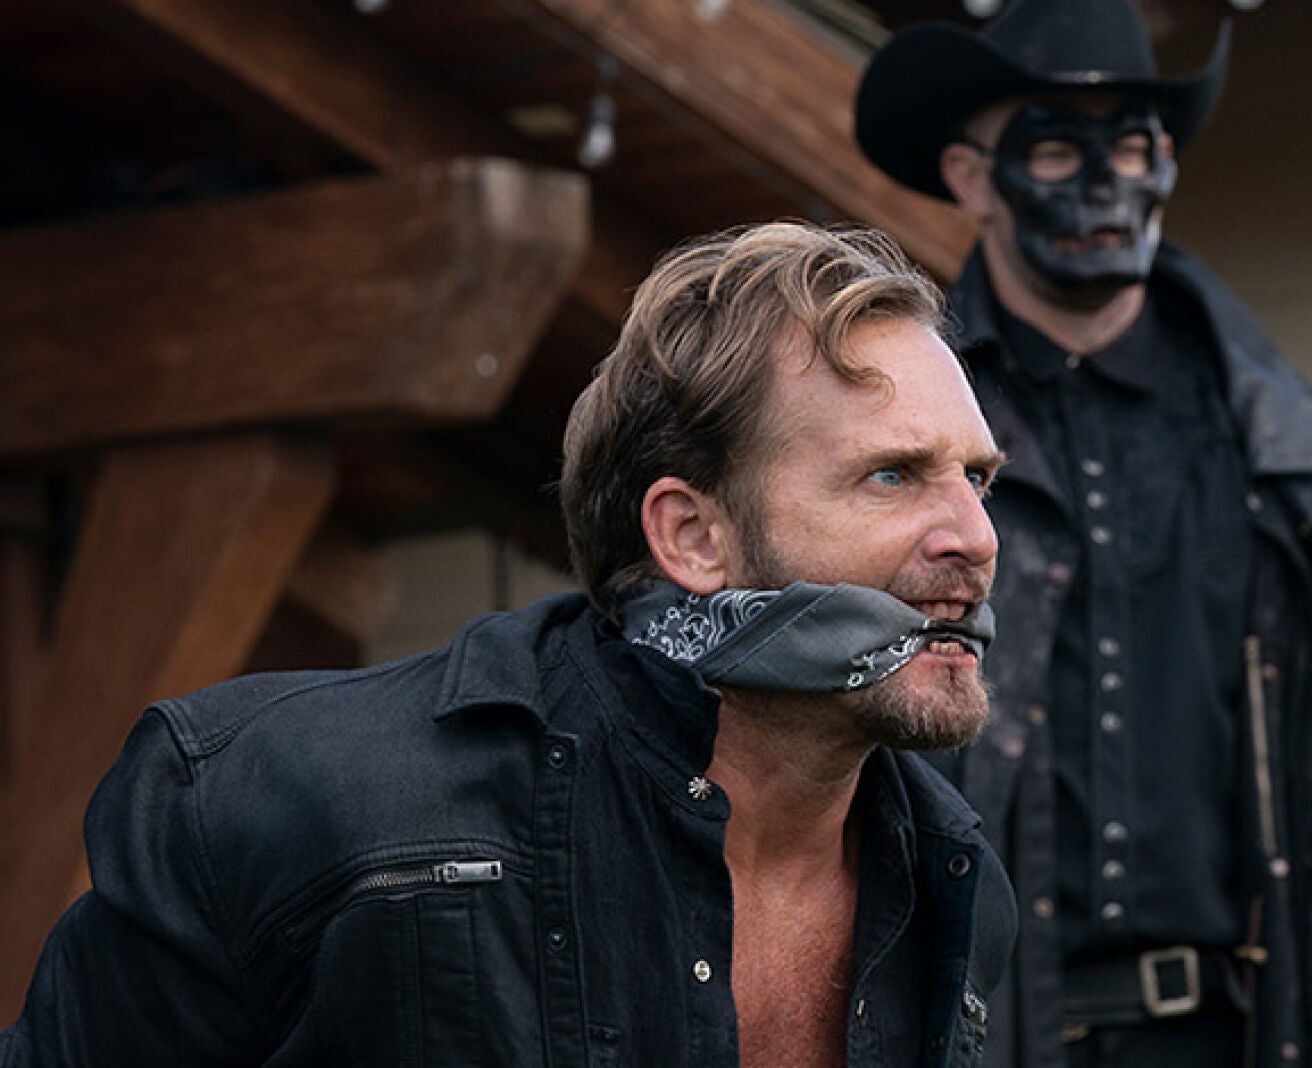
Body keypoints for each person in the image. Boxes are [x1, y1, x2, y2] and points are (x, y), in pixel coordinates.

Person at [1, 222, 1017, 1066]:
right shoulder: (298, 801)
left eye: (976, 479)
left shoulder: (954, 880)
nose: (975, 539)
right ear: (693, 537)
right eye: (891, 475)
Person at [854, 2, 1312, 1066]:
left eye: (1135, 146)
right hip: (977, 1033)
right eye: (1057, 147)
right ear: (970, 177)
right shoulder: (897, 437)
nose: (1105, 182)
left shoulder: (1286, 462)